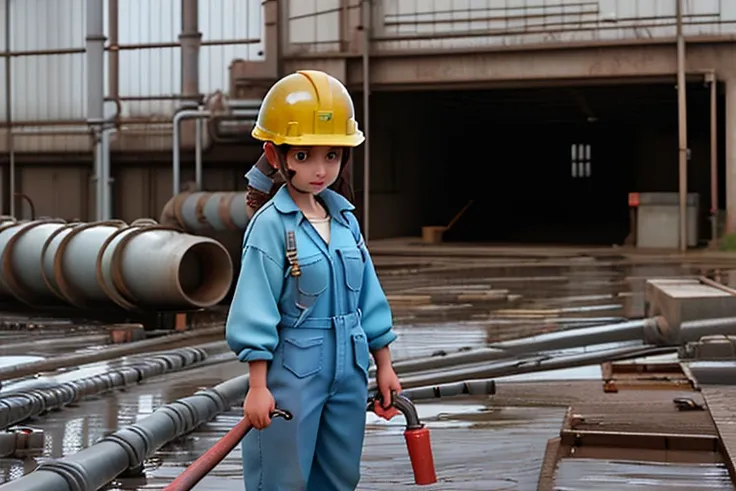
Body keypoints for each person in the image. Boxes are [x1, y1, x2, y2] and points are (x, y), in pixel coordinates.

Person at [225, 69, 402, 491]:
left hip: (349, 366)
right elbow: (255, 307)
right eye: (304, 156)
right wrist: (257, 387)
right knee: (283, 476)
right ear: (275, 154)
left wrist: (385, 366)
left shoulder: (344, 220)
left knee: (340, 475)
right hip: (294, 370)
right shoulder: (270, 227)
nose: (320, 169)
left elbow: (369, 297)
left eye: (332, 155)